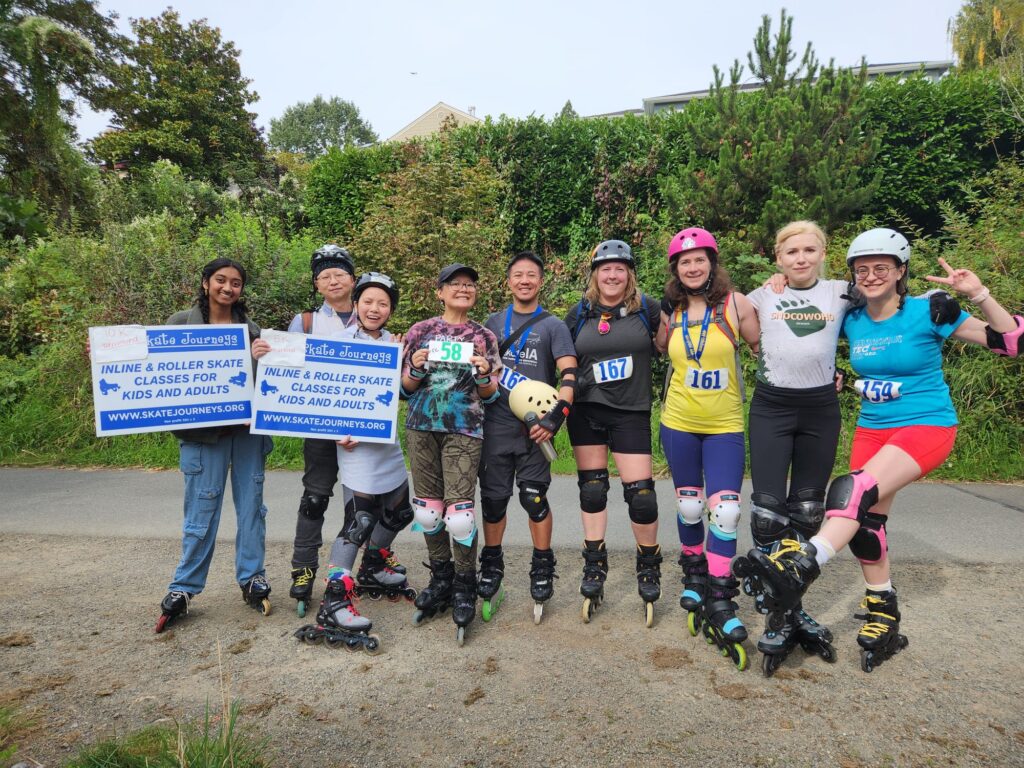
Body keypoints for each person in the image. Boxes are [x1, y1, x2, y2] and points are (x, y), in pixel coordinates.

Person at [734, 227, 1022, 673]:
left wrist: (979, 293)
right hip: (873, 429)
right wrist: (779, 284)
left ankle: (803, 564)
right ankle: (883, 609)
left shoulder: (930, 310)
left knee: (850, 492)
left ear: (900, 271)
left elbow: (1010, 342)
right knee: (866, 524)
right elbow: (807, 334)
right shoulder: (852, 315)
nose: (870, 276)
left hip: (925, 425)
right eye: (862, 269)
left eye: (881, 268)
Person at [743, 221, 847, 673]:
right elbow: (718, 312)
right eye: (791, 252)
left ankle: (793, 609)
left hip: (820, 410)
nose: (801, 258)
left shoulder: (843, 292)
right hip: (772, 408)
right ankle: (777, 614)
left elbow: (888, 316)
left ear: (824, 253)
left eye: (809, 250)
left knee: (807, 512)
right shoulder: (763, 296)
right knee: (768, 514)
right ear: (778, 259)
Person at [654, 227, 760, 668]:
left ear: (712, 264)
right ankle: (694, 576)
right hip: (678, 422)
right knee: (691, 506)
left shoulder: (736, 304)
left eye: (700, 260)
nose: (693, 267)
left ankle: (721, 595)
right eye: (685, 262)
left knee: (728, 510)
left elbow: (767, 350)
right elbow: (658, 351)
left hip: (724, 425)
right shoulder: (671, 310)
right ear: (676, 270)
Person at [294, 272, 412, 654]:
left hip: (385, 444)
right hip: (355, 448)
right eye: (368, 302)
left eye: (383, 303)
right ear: (356, 305)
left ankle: (374, 567)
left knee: (399, 513)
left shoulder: (395, 344)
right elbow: (316, 389)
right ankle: (334, 602)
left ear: (390, 309)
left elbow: (402, 393)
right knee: (358, 522)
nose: (375, 309)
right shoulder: (337, 342)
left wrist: (406, 360)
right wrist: (335, 428)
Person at [154, 258, 274, 632]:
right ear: (206, 283)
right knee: (201, 511)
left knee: (252, 507)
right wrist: (106, 359)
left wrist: (260, 361)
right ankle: (184, 587)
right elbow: (152, 364)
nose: (228, 287)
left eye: (236, 282)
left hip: (245, 436)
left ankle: (252, 578)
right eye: (221, 280)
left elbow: (261, 382)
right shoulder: (179, 324)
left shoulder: (250, 328)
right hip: (202, 437)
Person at [401, 263, 502, 646]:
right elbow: (405, 390)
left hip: (465, 428)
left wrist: (481, 372)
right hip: (421, 426)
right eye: (455, 284)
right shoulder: (420, 332)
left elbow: (491, 394)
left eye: (470, 285)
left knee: (459, 515)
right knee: (427, 511)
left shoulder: (483, 336)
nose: (464, 289)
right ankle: (440, 578)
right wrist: (414, 365)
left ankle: (465, 583)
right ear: (439, 292)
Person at [564, 240, 662, 626]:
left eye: (620, 269)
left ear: (630, 274)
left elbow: (678, 333)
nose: (612, 275)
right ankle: (594, 563)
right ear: (594, 275)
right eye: (605, 269)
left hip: (631, 411)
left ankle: (649, 565)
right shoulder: (579, 312)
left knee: (642, 498)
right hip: (586, 410)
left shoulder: (648, 310)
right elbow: (562, 357)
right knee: (592, 488)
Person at [478, 251, 578, 624]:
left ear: (540, 281)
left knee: (534, 498)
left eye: (531, 275)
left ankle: (541, 565)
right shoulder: (491, 322)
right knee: (493, 501)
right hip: (496, 424)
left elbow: (570, 374)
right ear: (509, 281)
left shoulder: (553, 326)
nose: (524, 281)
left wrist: (557, 419)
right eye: (518, 275)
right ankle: (491, 565)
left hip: (537, 428)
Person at [285, 244, 364, 617]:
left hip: (358, 431)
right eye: (325, 276)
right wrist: (266, 353)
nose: (333, 280)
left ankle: (351, 570)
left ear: (353, 278)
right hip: (319, 428)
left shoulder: (371, 315)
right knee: (315, 498)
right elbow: (285, 372)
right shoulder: (305, 323)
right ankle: (303, 570)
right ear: (317, 285)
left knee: (359, 506)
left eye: (340, 273)